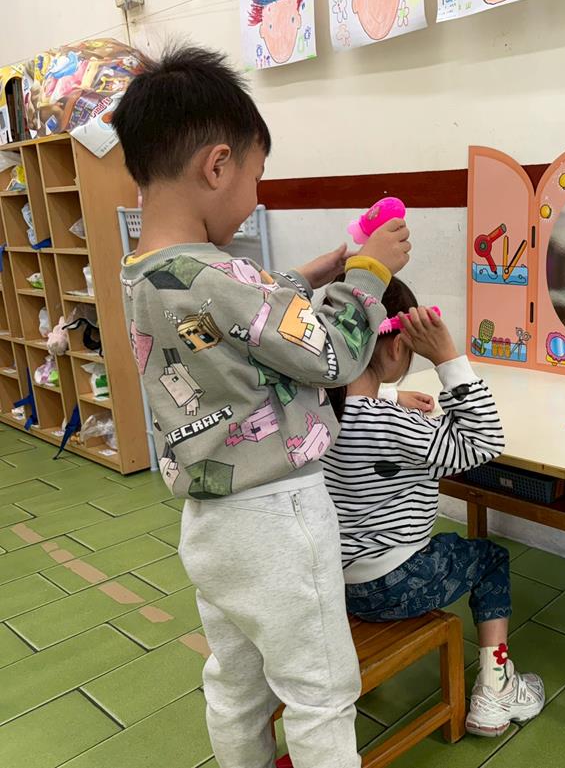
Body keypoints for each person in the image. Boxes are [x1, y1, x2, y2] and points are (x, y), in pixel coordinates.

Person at [112, 46, 411, 768]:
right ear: (217, 166)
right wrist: (369, 275)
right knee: (320, 692)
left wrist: (318, 269)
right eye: (256, 176)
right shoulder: (223, 278)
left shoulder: (147, 273)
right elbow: (333, 355)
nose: (254, 194)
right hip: (280, 519)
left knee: (236, 684)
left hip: (212, 525)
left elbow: (234, 311)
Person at [321, 277, 545, 737]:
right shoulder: (393, 425)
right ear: (397, 346)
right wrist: (448, 359)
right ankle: (497, 687)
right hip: (395, 584)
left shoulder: (316, 410)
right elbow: (484, 442)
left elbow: (353, 397)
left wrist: (389, 394)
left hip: (336, 582)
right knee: (490, 559)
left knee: (451, 548)